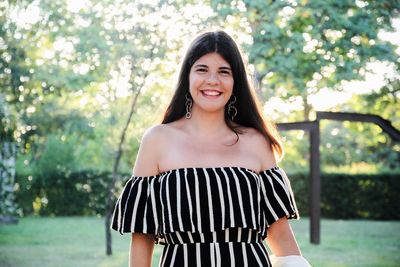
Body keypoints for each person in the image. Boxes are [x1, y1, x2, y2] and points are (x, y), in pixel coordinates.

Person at [111, 30, 311, 267]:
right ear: (187, 76)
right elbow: (142, 237)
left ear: (235, 81)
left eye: (224, 72)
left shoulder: (257, 142)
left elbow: (279, 234)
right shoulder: (157, 140)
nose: (213, 80)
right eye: (202, 69)